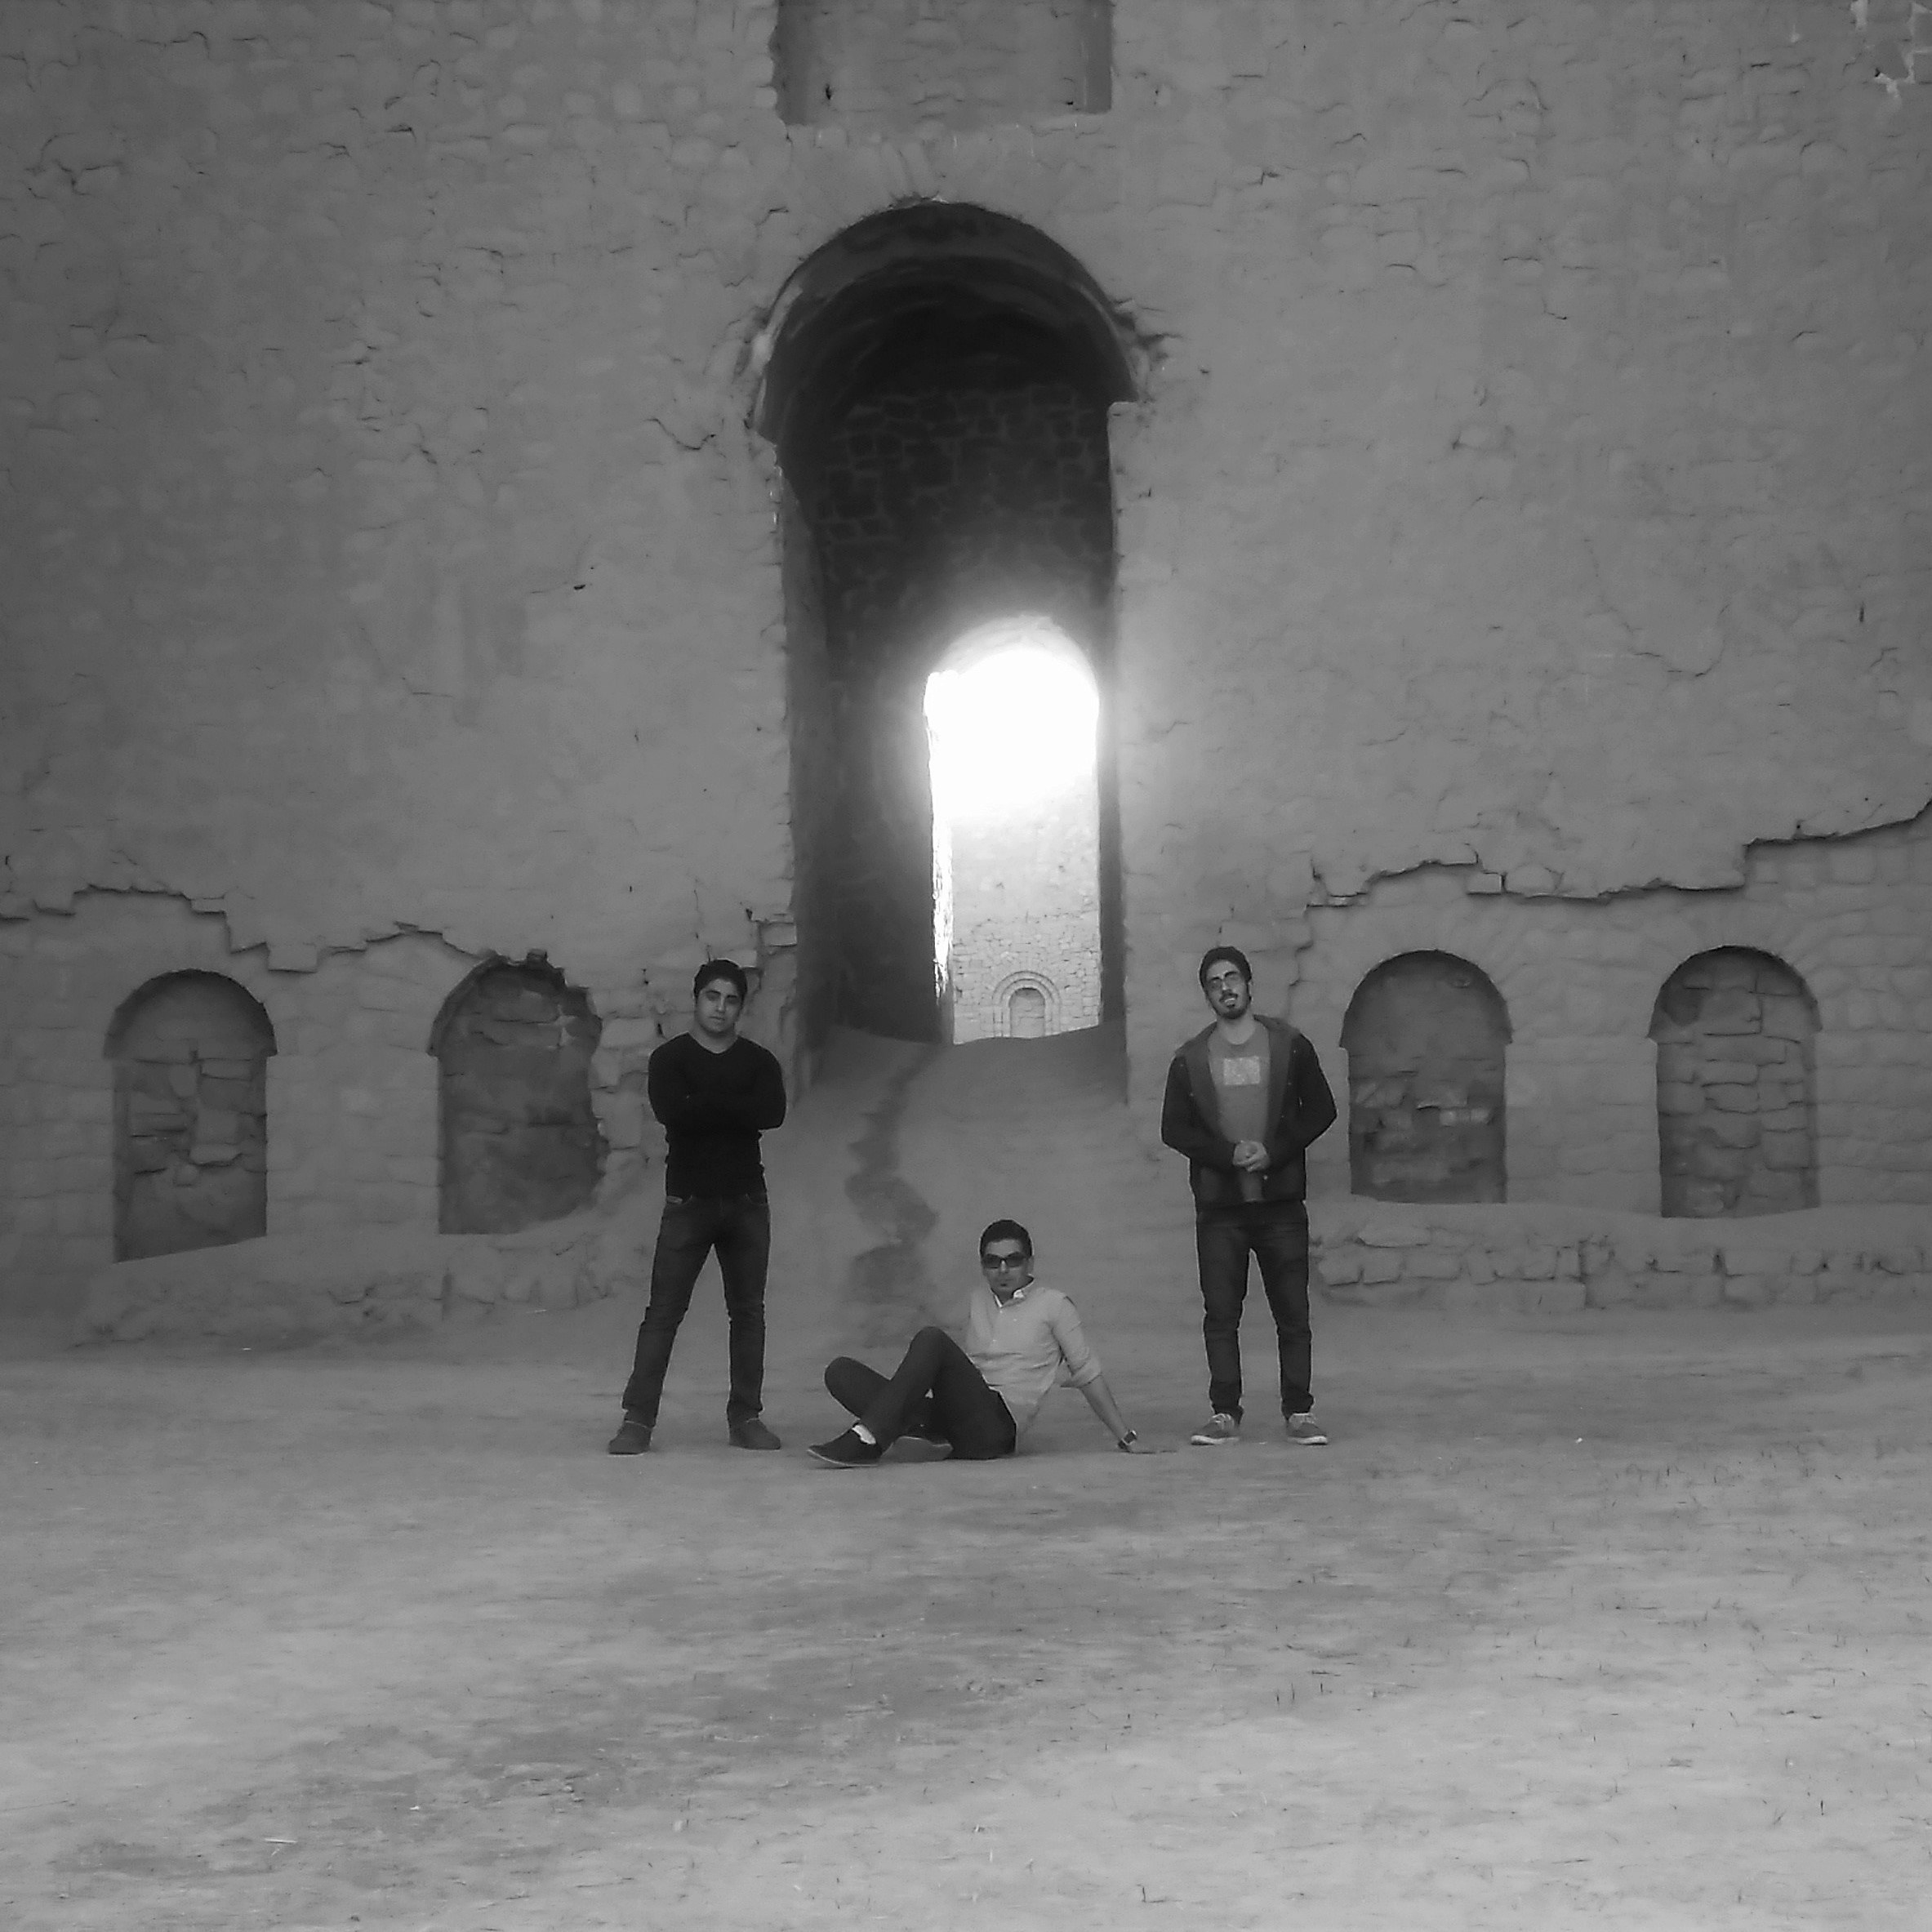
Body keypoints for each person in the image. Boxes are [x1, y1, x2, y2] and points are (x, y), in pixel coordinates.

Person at [1160, 945, 1338, 1448]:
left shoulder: (1289, 1045)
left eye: (1232, 978)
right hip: (1220, 1206)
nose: (1226, 988)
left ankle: (1299, 1411)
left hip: (1281, 1202)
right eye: (1214, 982)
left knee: (1293, 1313)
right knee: (1221, 1315)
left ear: (1249, 984)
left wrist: (1274, 1151)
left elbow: (1321, 1108)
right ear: (1207, 994)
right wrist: (1227, 1155)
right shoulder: (1190, 1059)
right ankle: (1224, 1413)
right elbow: (1174, 1128)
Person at [608, 960, 787, 1455]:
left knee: (748, 1314)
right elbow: (673, 1112)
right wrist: (734, 1107)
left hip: (747, 1201)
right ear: (696, 998)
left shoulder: (759, 1061)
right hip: (688, 1201)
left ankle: (746, 1417)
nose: (720, 1008)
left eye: (731, 1000)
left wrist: (703, 1103)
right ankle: (637, 1420)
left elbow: (771, 1112)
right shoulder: (670, 1059)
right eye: (712, 997)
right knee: (663, 1313)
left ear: (741, 1007)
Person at [808, 1219, 1167, 1467]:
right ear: (982, 1266)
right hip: (960, 1416)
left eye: (1013, 1260)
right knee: (841, 1372)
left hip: (996, 1428)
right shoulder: (976, 1300)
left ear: (1030, 1262)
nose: (1003, 1270)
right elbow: (945, 1361)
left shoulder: (1055, 1305)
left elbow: (1088, 1374)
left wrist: (1128, 1438)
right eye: (993, 1262)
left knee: (932, 1339)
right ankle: (922, 1431)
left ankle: (868, 1439)